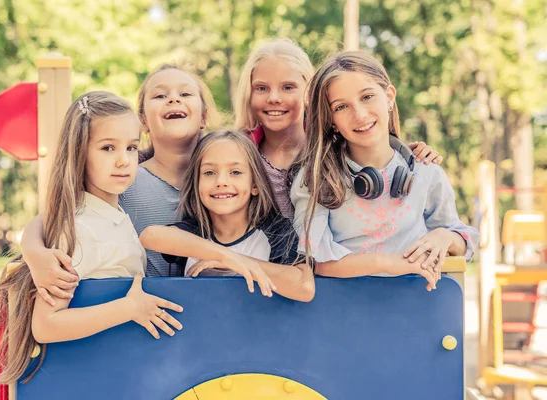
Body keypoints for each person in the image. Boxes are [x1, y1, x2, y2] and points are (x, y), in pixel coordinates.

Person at [0, 92, 183, 388]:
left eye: (131, 148)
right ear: (79, 152)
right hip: (89, 377)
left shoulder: (113, 213)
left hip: (117, 372)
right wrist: (129, 308)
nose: (123, 160)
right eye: (107, 148)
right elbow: (46, 325)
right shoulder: (79, 227)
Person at [20, 65, 219, 308]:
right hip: (145, 315)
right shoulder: (124, 179)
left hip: (212, 307)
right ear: (143, 120)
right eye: (160, 95)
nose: (174, 99)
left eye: (185, 94)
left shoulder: (228, 180)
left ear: (205, 116)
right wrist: (33, 252)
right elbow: (61, 213)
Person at [291, 51, 479, 290]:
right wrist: (390, 264)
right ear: (330, 120)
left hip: (415, 307)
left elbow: (465, 242)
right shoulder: (316, 179)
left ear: (389, 97)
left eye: (367, 96)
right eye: (341, 107)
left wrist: (445, 237)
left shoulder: (425, 171)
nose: (359, 114)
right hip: (344, 311)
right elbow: (317, 262)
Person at [234, 38, 443, 219]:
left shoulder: (338, 150)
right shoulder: (235, 153)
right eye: (261, 88)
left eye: (288, 87)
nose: (274, 98)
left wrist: (407, 152)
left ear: (309, 94)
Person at [140, 130, 315, 302]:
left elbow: (304, 287)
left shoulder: (275, 229)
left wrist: (239, 263)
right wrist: (224, 256)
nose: (221, 181)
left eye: (235, 172)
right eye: (209, 173)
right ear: (197, 184)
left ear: (255, 184)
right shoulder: (196, 232)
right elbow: (151, 236)